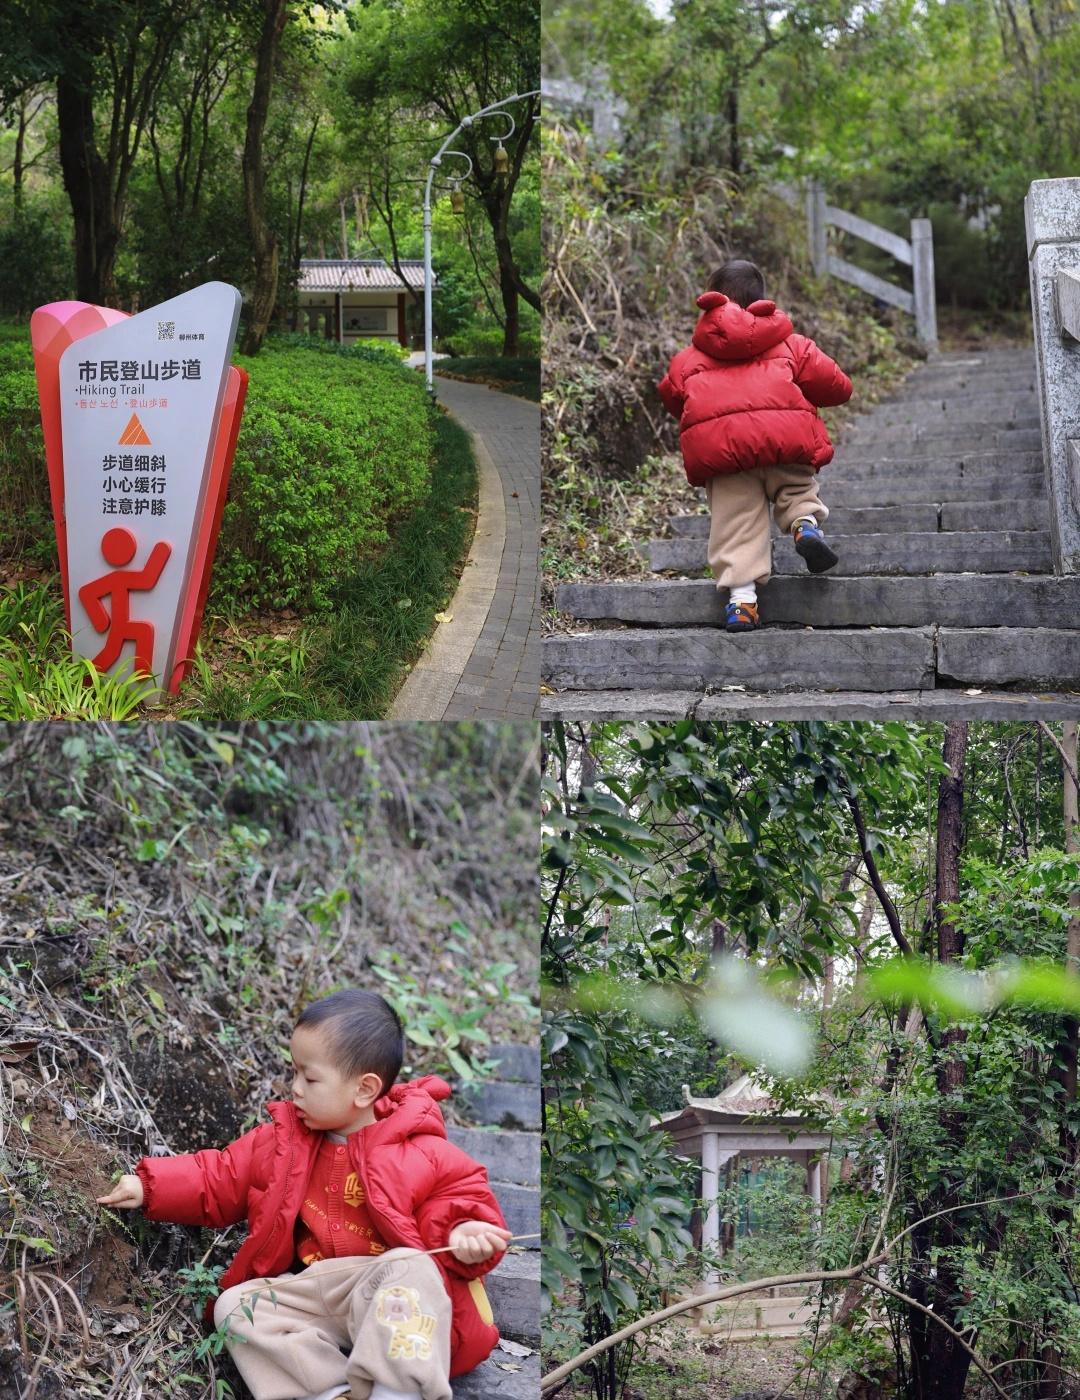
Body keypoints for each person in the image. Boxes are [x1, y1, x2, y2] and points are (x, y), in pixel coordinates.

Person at [97, 989, 511, 1400]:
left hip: (387, 1298)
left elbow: (460, 1197)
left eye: (309, 1078)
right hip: (315, 1289)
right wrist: (150, 1186)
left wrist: (466, 1232)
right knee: (236, 1307)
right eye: (294, 1072)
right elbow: (220, 1176)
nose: (294, 1088)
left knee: (408, 1266)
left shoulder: (417, 1149)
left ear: (364, 1089)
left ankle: (394, 1391)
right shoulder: (285, 1142)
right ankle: (332, 1390)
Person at [658, 259, 853, 631]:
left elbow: (672, 399)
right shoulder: (792, 345)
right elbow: (839, 387)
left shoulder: (688, 359)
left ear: (713, 301)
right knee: (795, 488)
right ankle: (803, 523)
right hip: (783, 439)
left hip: (725, 453)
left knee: (736, 522)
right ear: (761, 301)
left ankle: (743, 603)